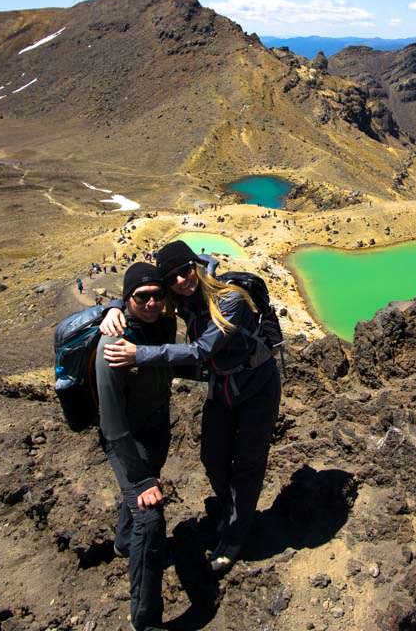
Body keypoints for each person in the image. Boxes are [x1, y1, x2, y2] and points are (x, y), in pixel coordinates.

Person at [102, 241, 281, 574]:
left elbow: (201, 351)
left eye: (186, 271)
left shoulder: (229, 299)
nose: (182, 281)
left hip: (257, 388)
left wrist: (139, 355)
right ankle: (231, 511)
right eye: (174, 279)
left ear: (195, 268)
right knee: (212, 457)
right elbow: (143, 289)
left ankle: (234, 536)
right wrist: (113, 306)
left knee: (247, 463)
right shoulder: (180, 300)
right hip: (223, 388)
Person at [96, 263, 178, 631]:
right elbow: (112, 427)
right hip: (125, 441)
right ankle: (145, 621)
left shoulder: (164, 321)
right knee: (151, 516)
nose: (151, 302)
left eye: (157, 295)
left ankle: (123, 543)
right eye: (141, 297)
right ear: (128, 299)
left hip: (158, 429)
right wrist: (141, 479)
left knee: (141, 506)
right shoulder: (112, 344)